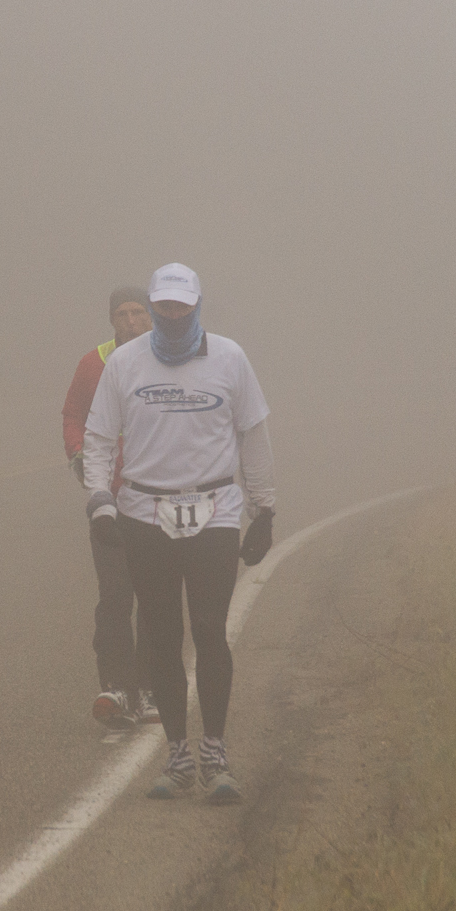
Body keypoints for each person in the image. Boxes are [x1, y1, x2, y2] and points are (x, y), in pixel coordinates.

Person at [81, 264, 276, 804]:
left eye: (179, 306)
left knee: (211, 630)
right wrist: (100, 502)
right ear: (153, 304)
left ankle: (214, 749)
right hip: (144, 513)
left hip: (214, 509)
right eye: (162, 306)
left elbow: (253, 432)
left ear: (196, 305)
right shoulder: (124, 362)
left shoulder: (230, 358)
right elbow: (98, 438)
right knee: (163, 635)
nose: (170, 315)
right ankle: (177, 754)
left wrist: (265, 508)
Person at [62, 287, 160, 730]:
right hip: (109, 503)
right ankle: (118, 687)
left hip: (158, 501)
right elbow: (73, 414)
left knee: (155, 598)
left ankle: (154, 686)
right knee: (115, 598)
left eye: (139, 312)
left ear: (153, 317)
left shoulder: (167, 358)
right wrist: (79, 455)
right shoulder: (93, 363)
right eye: (122, 314)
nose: (131, 321)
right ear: (110, 321)